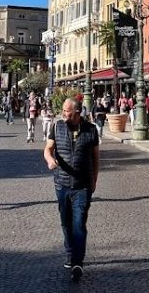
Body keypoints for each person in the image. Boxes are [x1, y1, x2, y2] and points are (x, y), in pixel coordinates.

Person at [44, 98, 100, 283]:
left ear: (77, 113)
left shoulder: (91, 130)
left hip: (82, 186)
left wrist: (94, 181)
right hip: (61, 184)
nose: (63, 113)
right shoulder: (57, 127)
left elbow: (95, 158)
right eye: (63, 110)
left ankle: (77, 261)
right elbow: (48, 149)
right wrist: (50, 160)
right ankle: (69, 251)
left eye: (67, 111)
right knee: (66, 223)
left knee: (79, 223)